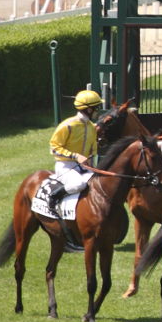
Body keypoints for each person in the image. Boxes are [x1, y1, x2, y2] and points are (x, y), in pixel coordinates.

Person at [45, 90, 105, 230]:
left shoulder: (91, 127)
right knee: (78, 184)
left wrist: (93, 164)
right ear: (88, 109)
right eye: (96, 108)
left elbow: (93, 150)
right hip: (65, 165)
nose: (98, 111)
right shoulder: (68, 125)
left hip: (84, 167)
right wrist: (75, 156)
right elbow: (53, 148)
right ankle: (54, 197)